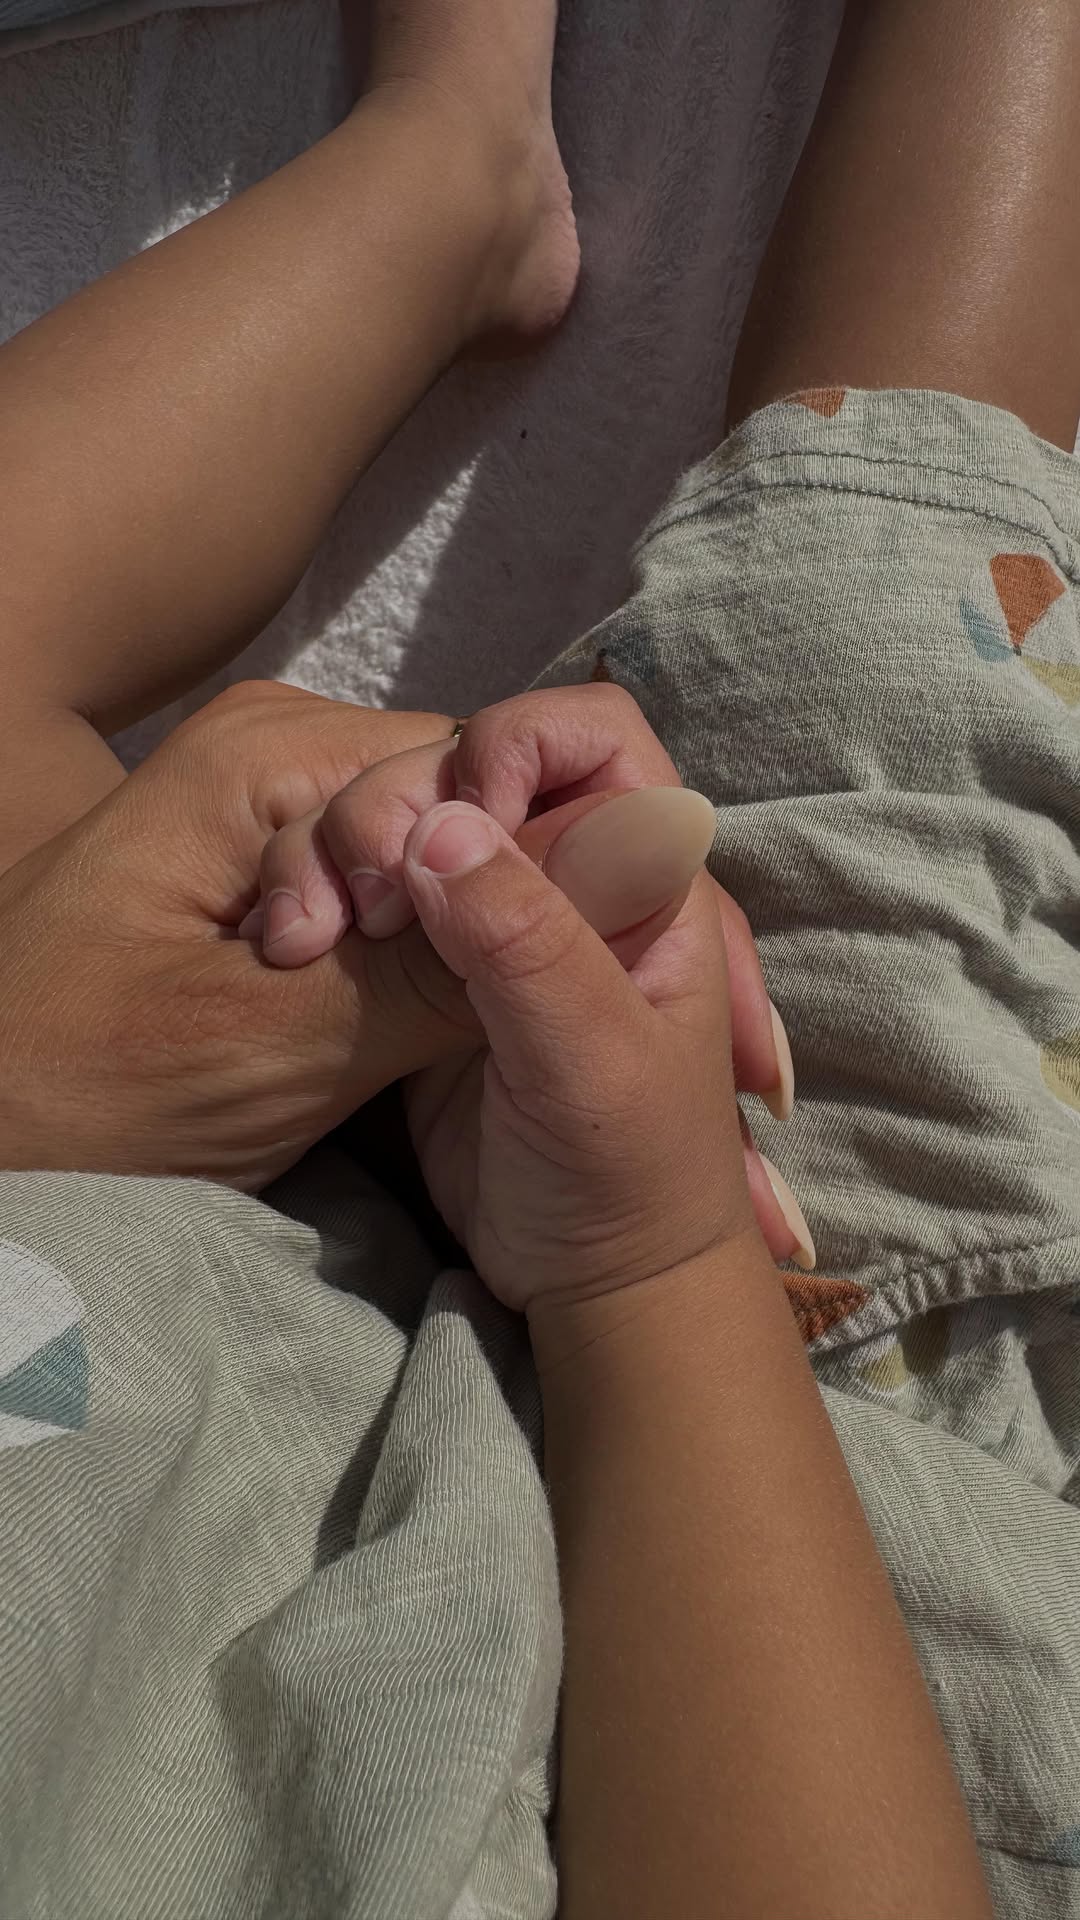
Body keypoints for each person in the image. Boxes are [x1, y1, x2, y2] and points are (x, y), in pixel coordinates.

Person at [2, 0, 1079, 1917]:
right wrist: (648, 1264)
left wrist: (27, 1082)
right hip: (771, 1566)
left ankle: (448, 166)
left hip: (128, 1265)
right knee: (848, 664)